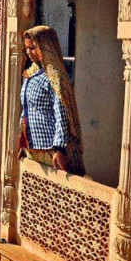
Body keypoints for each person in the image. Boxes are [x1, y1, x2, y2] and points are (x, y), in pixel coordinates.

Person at [20, 26, 86, 175]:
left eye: (33, 48)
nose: (29, 52)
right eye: (27, 48)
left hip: (51, 149)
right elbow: (26, 110)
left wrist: (59, 149)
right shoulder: (31, 75)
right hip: (33, 147)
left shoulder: (54, 78)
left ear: (45, 47)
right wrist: (23, 142)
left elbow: (61, 115)